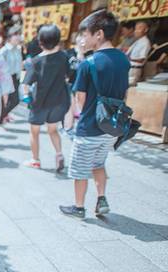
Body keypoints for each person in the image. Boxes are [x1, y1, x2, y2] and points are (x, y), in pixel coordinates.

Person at [60, 9, 129, 218]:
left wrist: (83, 115)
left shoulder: (88, 64)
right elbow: (125, 93)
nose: (83, 39)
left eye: (85, 34)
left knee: (80, 169)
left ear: (99, 34)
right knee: (99, 163)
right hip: (111, 127)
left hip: (89, 127)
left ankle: (79, 207)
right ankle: (101, 199)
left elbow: (80, 99)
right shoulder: (123, 59)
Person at [22, 24, 70, 171]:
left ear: (40, 42)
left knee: (34, 131)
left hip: (40, 102)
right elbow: (68, 77)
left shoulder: (36, 61)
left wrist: (26, 96)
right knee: (53, 130)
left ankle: (35, 160)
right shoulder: (64, 57)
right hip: (58, 101)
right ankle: (59, 154)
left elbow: (26, 84)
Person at [0, 31, 23, 124]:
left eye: (18, 35)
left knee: (15, 100)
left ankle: (2, 116)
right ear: (10, 38)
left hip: (16, 77)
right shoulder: (4, 51)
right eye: (15, 35)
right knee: (9, 100)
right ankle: (0, 117)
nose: (18, 37)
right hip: (7, 77)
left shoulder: (18, 49)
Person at [127, 20, 151, 85]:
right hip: (129, 69)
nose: (136, 31)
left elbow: (141, 60)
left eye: (139, 28)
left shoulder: (145, 42)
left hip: (134, 70)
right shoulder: (138, 41)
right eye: (135, 29)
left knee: (130, 87)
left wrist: (128, 58)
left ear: (146, 30)